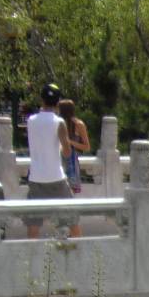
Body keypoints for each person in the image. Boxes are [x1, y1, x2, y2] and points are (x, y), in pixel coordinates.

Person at [23, 83, 71, 239]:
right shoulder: (59, 122)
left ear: (41, 99)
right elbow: (67, 151)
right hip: (56, 176)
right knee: (72, 219)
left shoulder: (31, 120)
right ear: (58, 102)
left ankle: (30, 257)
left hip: (36, 177)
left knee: (33, 223)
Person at [57, 97, 89, 238]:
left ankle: (72, 233)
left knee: (69, 198)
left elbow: (86, 146)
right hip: (57, 160)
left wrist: (69, 142)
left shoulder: (78, 125)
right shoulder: (57, 124)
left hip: (71, 161)